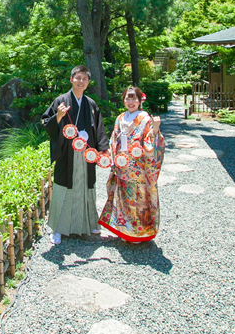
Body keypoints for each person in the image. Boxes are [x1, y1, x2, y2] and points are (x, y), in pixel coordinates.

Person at [41, 65, 109, 244]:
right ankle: (58, 228)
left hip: (87, 154)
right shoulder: (61, 101)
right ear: (71, 80)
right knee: (64, 188)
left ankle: (88, 223)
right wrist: (59, 115)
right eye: (78, 78)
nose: (81, 81)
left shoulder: (91, 104)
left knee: (86, 186)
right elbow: (45, 121)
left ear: (88, 82)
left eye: (85, 79)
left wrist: (103, 147)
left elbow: (99, 128)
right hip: (67, 154)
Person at [98, 86, 165, 243]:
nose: (130, 101)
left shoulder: (145, 119)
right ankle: (126, 229)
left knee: (139, 199)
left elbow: (152, 144)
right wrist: (111, 155)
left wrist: (155, 129)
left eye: (134, 98)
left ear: (140, 100)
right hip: (122, 165)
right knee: (124, 198)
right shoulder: (121, 118)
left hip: (138, 166)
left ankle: (140, 232)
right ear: (123, 100)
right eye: (127, 98)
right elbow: (114, 139)